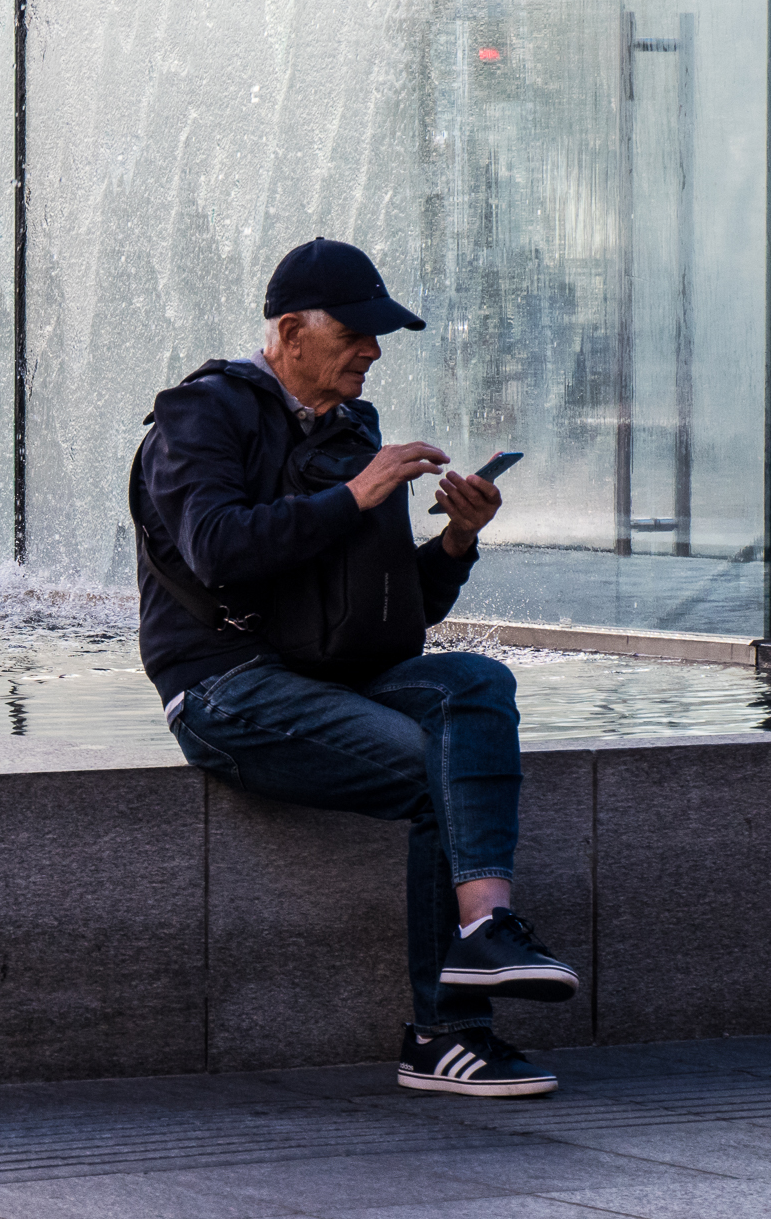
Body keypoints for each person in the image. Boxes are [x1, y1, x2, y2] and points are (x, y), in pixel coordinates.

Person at [132, 236, 578, 1098]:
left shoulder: (350, 429)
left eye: (380, 335)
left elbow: (393, 613)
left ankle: (487, 926)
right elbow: (216, 548)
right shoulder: (202, 414)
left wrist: (457, 540)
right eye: (354, 333)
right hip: (224, 686)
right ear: (290, 333)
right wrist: (355, 495)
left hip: (326, 673)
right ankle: (445, 1034)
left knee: (477, 683)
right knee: (435, 771)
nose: (372, 351)